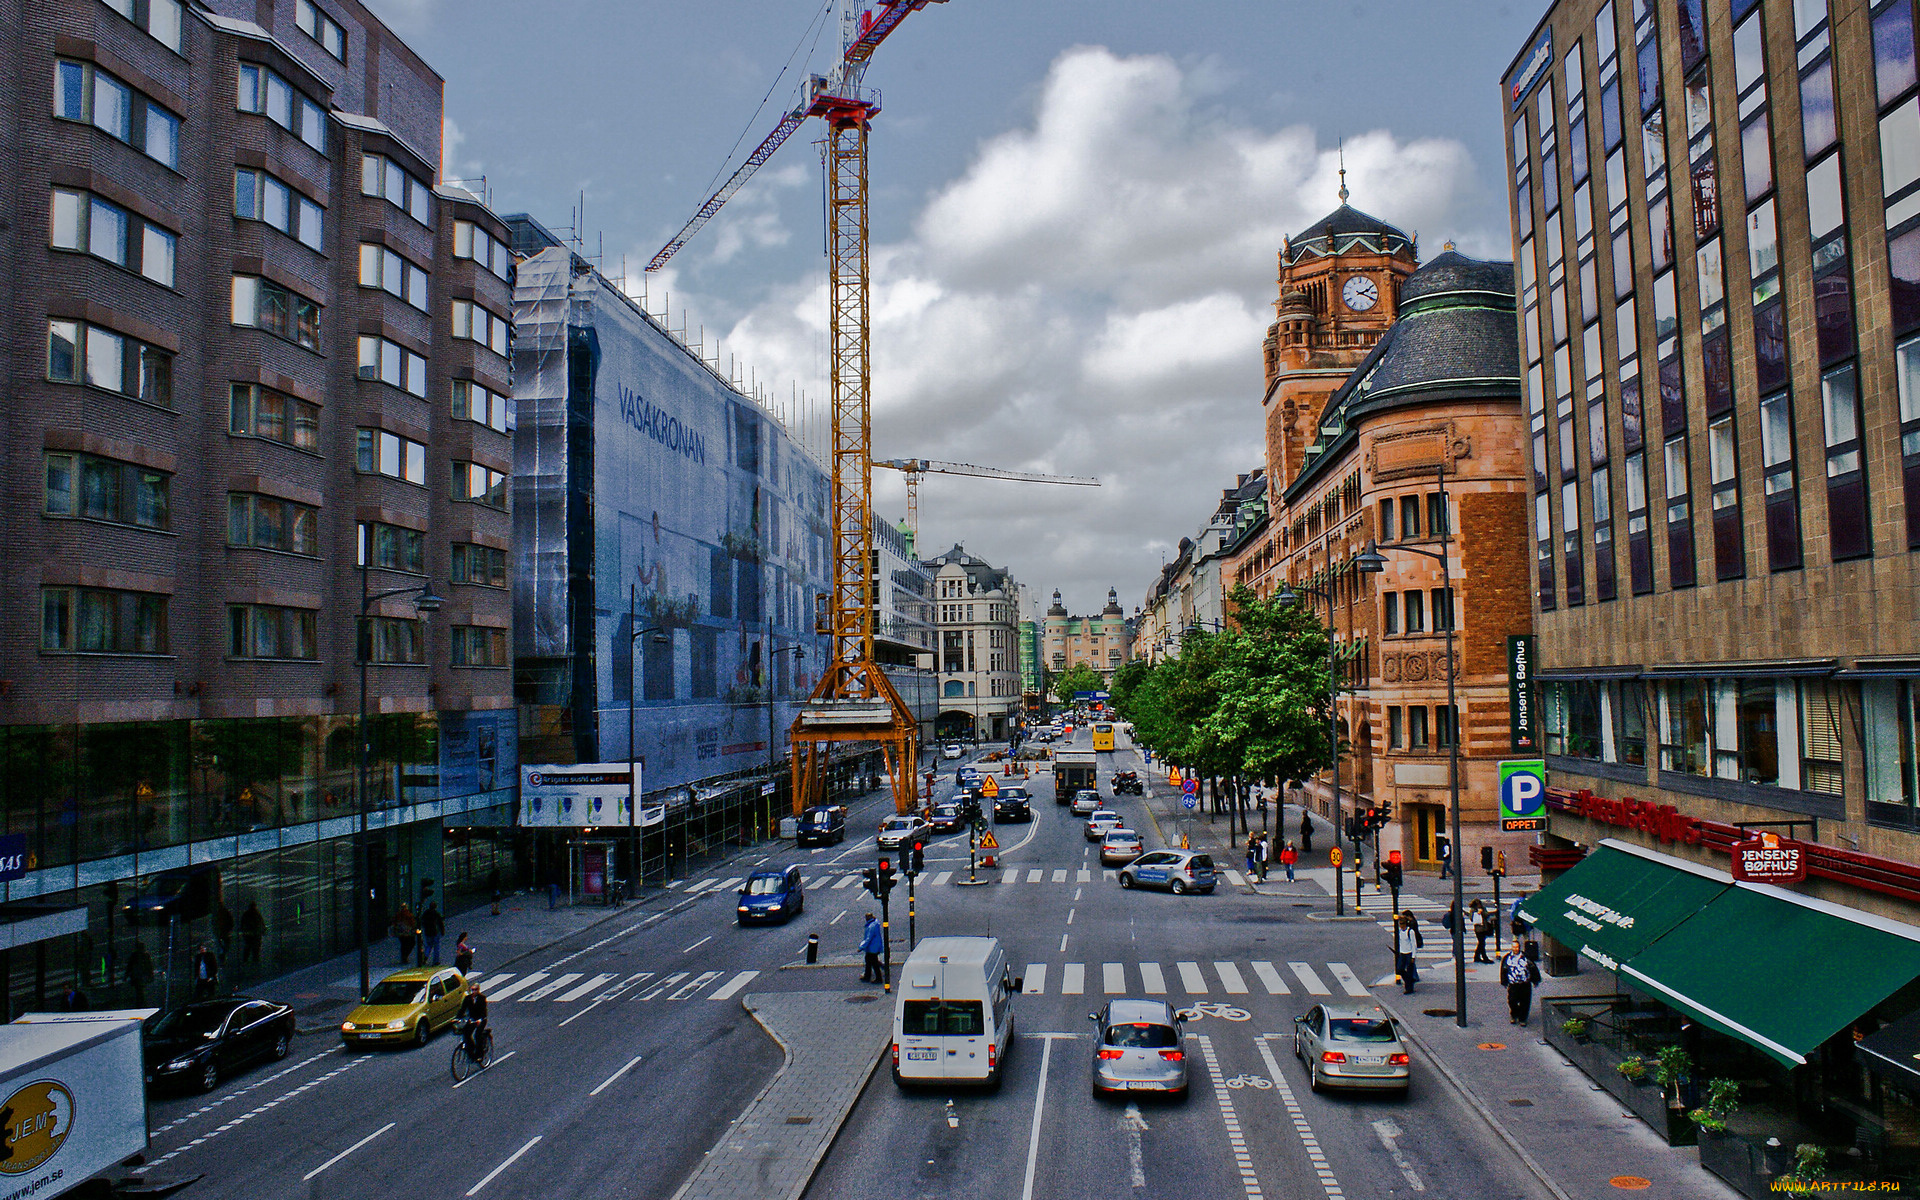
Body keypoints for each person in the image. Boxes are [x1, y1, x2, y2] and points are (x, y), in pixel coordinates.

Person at [1503, 942, 1542, 1024]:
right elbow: (1504, 969)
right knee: (1512, 1000)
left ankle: (1522, 1018)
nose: (1515, 949)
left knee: (1525, 1001)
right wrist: (1504, 981)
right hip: (1513, 983)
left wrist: (1535, 980)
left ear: (1519, 948)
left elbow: (1533, 968)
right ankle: (1515, 1014)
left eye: (1517, 947)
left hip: (1525, 983)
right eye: (1514, 947)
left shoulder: (1526, 957)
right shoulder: (1507, 958)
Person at [459, 981, 490, 1061]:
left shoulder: (482, 998)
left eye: (475, 990)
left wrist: (480, 1019)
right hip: (472, 1020)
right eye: (472, 990)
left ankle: (480, 1054)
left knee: (477, 1035)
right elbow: (462, 1009)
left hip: (481, 1019)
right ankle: (472, 1049)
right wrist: (457, 1018)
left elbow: (484, 1011)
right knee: (466, 1033)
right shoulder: (467, 998)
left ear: (478, 990)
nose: (474, 991)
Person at [1393, 912, 1423, 995]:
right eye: (1400, 924)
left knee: (1409, 971)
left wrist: (1413, 956)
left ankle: (1409, 988)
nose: (1401, 925)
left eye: (1402, 924)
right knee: (1399, 969)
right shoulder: (1400, 931)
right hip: (1402, 953)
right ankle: (1410, 980)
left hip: (1409, 953)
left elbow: (1414, 944)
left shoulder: (1410, 932)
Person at [859, 913, 886, 984]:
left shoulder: (871, 926)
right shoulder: (874, 923)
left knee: (873, 963)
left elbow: (868, 938)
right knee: (869, 961)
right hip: (874, 946)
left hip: (872, 947)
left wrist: (861, 947)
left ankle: (877, 978)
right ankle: (867, 976)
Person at [125, 942, 154, 1006]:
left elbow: (129, 966)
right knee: (140, 988)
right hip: (141, 975)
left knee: (139, 988)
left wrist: (126, 975)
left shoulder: (135, 955)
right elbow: (149, 966)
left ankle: (140, 1001)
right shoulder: (145, 955)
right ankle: (141, 1001)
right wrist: (151, 974)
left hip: (137, 975)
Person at [239, 901, 266, 966]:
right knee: (255, 947)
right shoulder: (257, 914)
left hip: (249, 934)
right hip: (255, 933)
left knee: (248, 947)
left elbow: (242, 923)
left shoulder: (246, 914)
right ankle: (255, 959)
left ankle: (246, 960)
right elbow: (261, 923)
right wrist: (263, 930)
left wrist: (243, 931)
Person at [420, 902, 446, 966]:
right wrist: (442, 931)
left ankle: (425, 957)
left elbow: (422, 921)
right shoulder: (436, 914)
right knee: (436, 947)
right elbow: (440, 923)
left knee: (428, 945)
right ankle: (436, 961)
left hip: (428, 932)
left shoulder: (426, 913)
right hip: (435, 932)